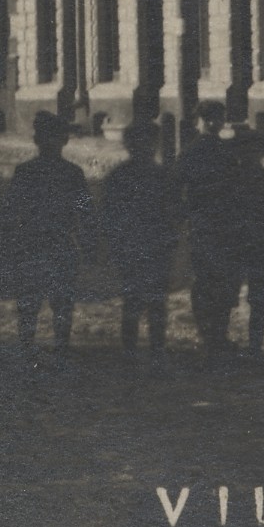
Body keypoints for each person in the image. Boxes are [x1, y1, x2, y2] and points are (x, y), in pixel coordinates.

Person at [190, 123, 264, 356]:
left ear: (263, 153)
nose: (249, 155)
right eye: (244, 150)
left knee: (258, 299)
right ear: (236, 153)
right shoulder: (225, 182)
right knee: (225, 296)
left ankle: (255, 347)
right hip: (232, 247)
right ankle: (218, 342)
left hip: (260, 247)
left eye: (254, 150)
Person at [0, 112, 90, 355]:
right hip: (35, 246)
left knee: (60, 304)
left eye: (55, 137)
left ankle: (57, 352)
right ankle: (30, 351)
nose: (50, 143)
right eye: (46, 137)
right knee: (31, 305)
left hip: (56, 245)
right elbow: (10, 212)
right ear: (37, 140)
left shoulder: (73, 174)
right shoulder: (28, 173)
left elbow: (85, 211)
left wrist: (87, 242)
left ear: (64, 141)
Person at [97, 123, 182, 362]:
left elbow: (174, 212)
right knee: (133, 302)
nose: (144, 148)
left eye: (149, 143)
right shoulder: (119, 178)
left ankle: (157, 351)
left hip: (156, 247)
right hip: (133, 247)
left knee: (156, 303)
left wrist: (171, 239)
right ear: (128, 146)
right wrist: (114, 244)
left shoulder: (164, 176)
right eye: (139, 143)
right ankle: (130, 352)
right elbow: (109, 215)